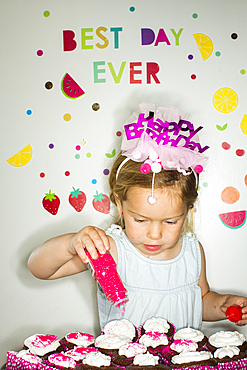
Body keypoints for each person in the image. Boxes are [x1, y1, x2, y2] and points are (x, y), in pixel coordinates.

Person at [28, 103, 247, 331]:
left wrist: (223, 304)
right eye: (141, 220)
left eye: (171, 221)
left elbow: (199, 302)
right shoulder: (111, 250)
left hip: (181, 364)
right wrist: (70, 243)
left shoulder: (193, 251)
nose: (154, 234)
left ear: (189, 210)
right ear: (119, 203)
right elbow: (39, 269)